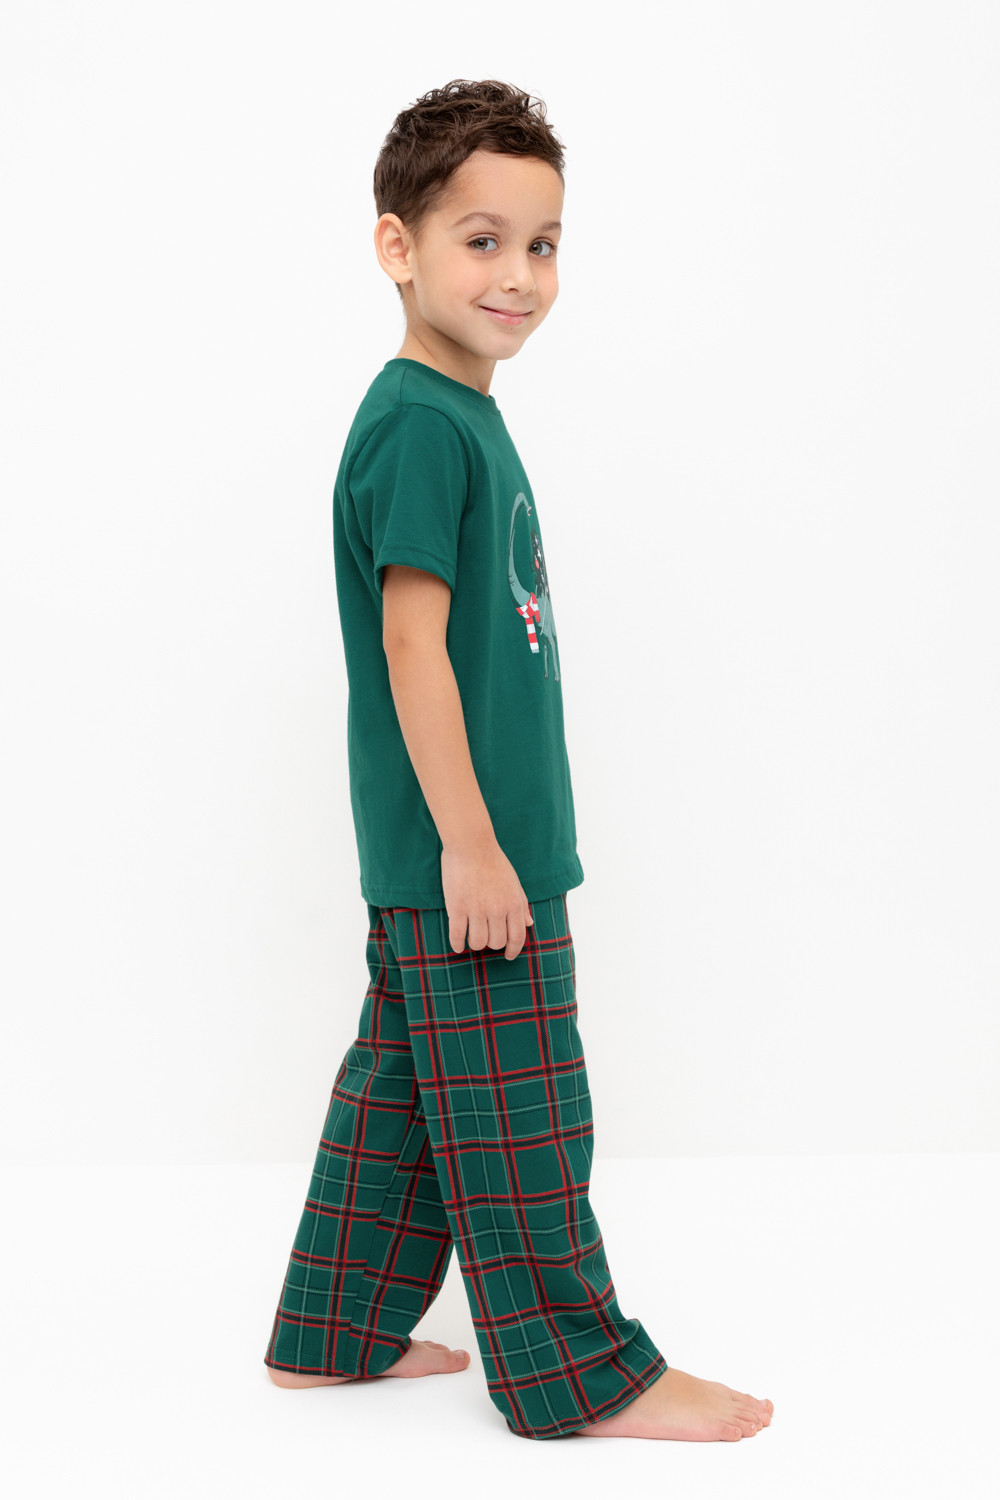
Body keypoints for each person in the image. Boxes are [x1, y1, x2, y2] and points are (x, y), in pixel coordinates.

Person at [263, 77, 773, 1444]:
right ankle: (581, 1375)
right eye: (481, 240)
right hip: (468, 857)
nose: (519, 275)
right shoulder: (423, 424)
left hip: (455, 851)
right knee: (520, 1115)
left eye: (542, 244)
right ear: (398, 246)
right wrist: (476, 848)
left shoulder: (456, 413)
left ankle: (331, 1332)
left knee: (406, 1096)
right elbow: (412, 646)